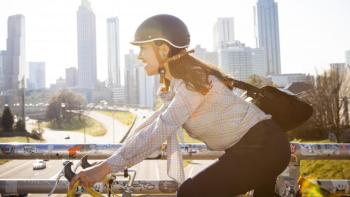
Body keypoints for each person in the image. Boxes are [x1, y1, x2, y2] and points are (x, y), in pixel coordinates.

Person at [69, 14, 291, 197]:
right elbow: (150, 126)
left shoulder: (192, 85)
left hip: (263, 149)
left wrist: (104, 168)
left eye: (142, 49)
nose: (139, 56)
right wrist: (107, 165)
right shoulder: (182, 84)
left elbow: (157, 133)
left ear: (163, 50)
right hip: (258, 148)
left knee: (190, 193)